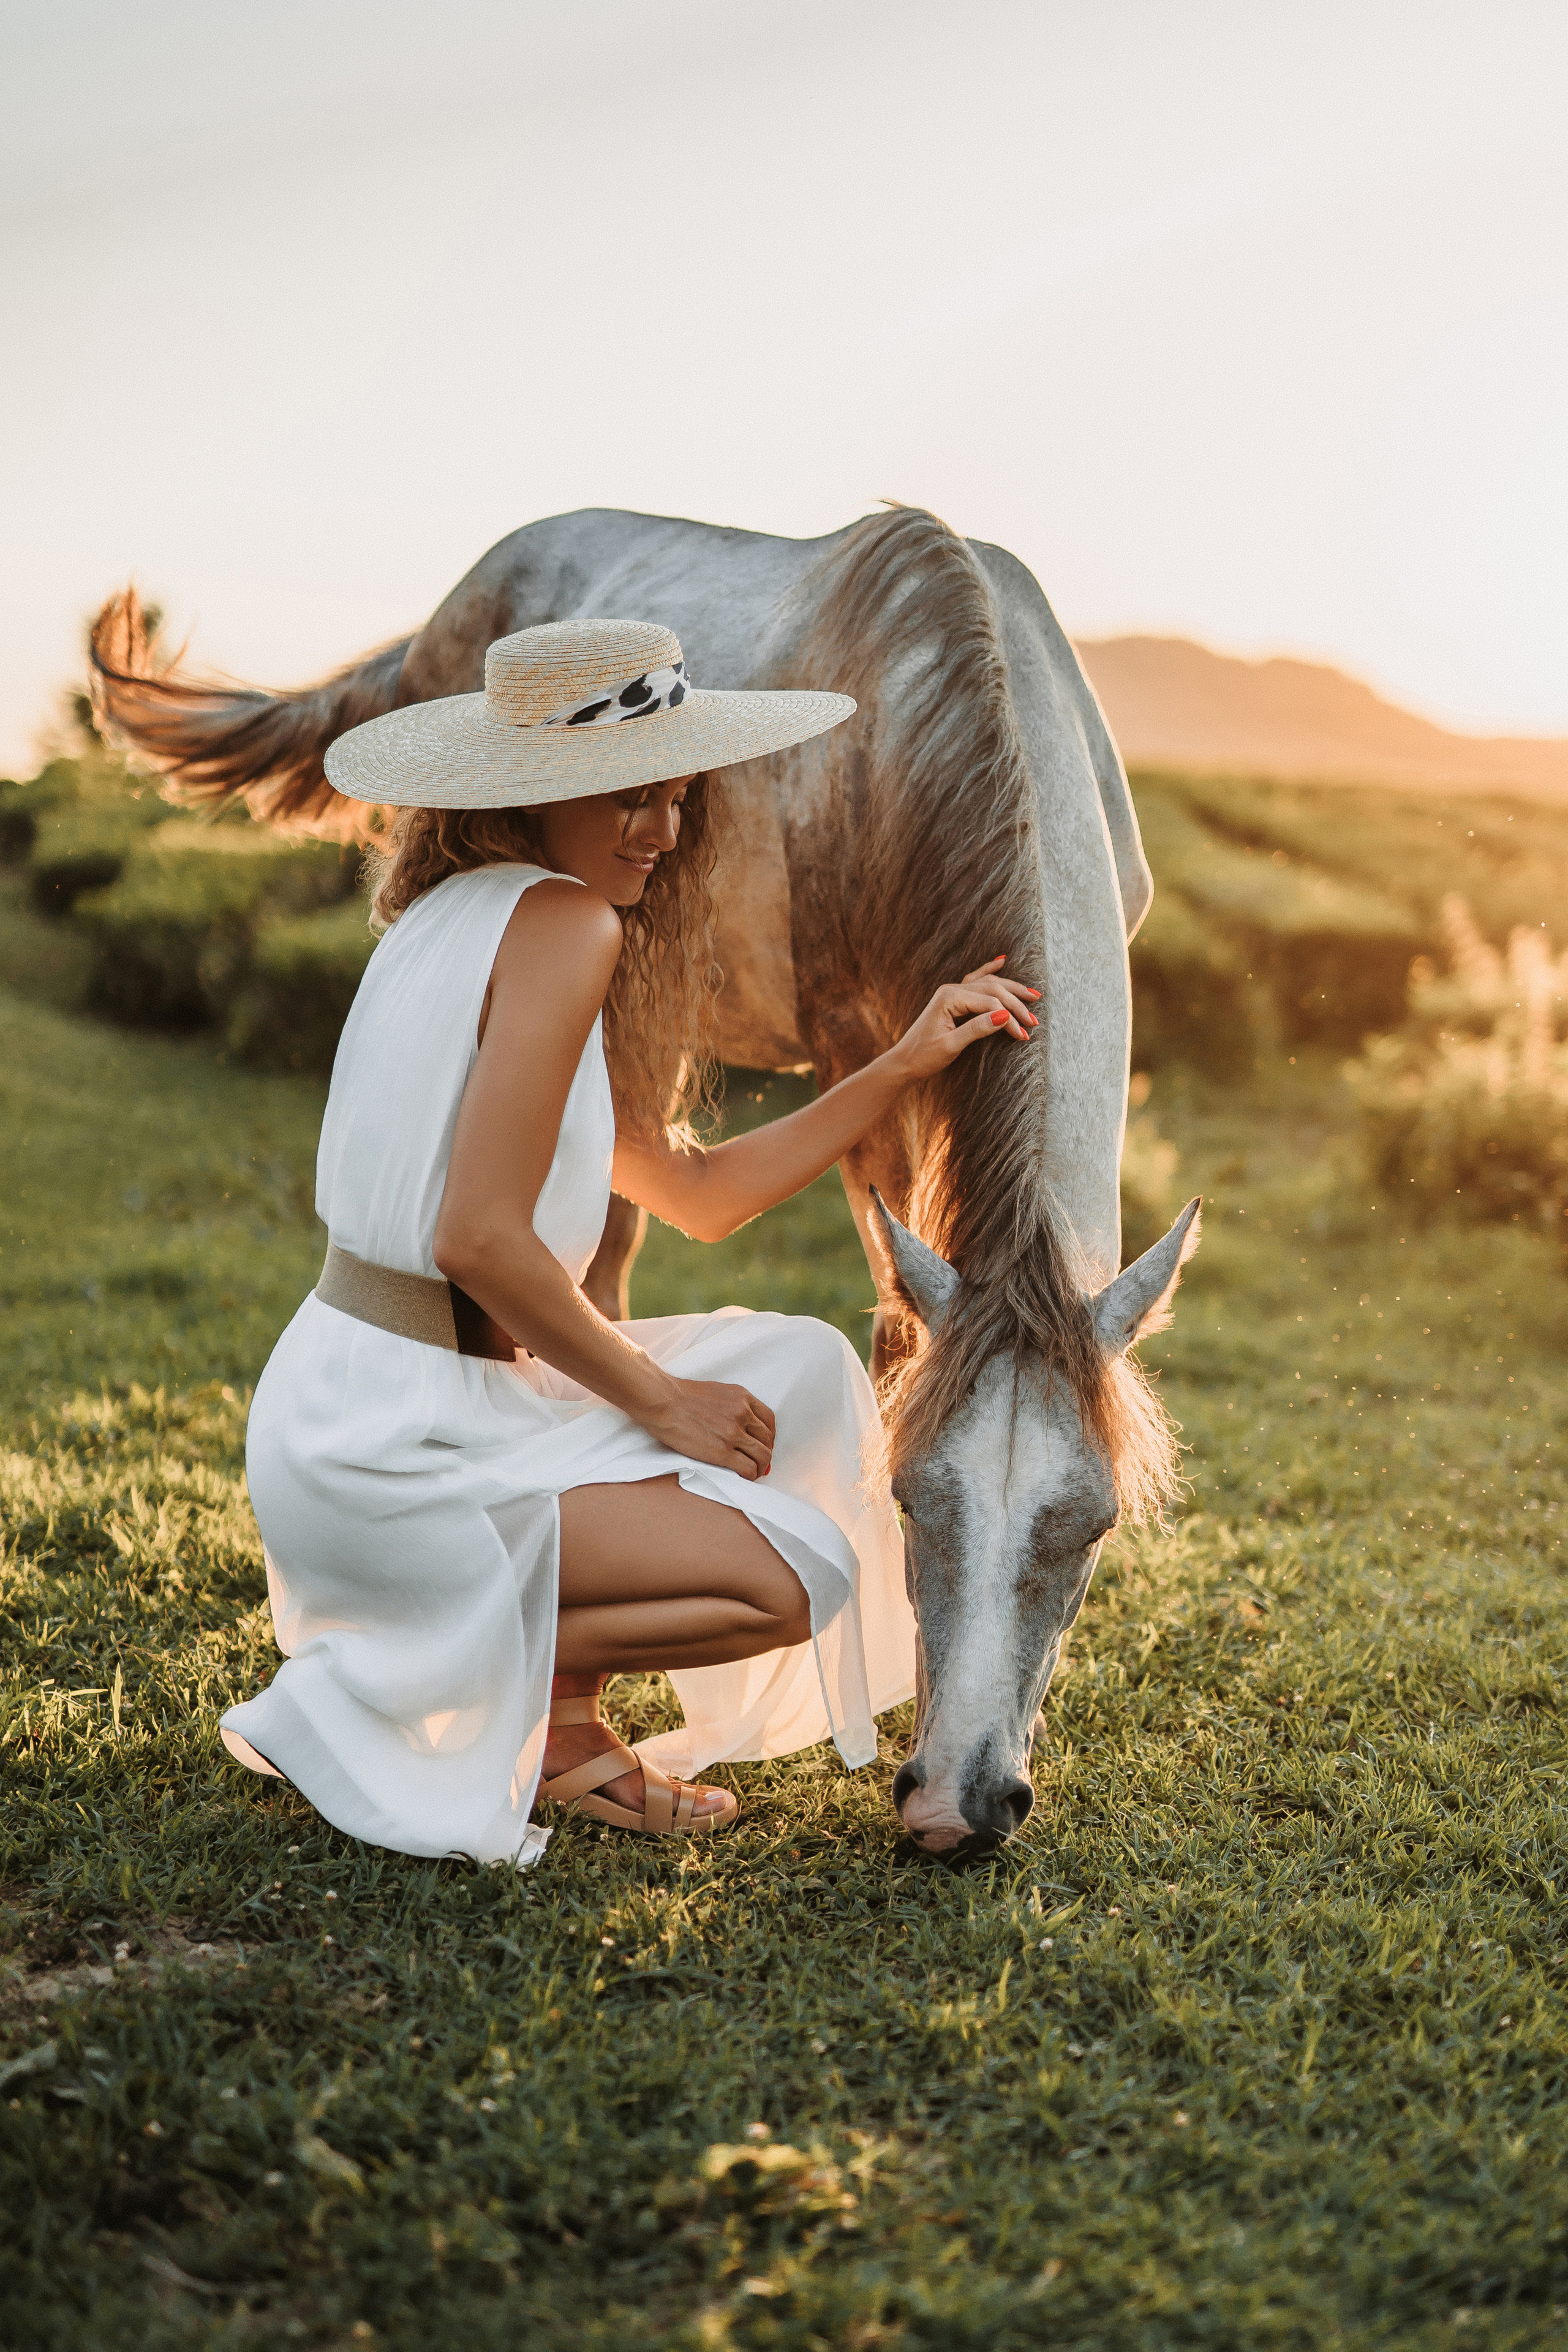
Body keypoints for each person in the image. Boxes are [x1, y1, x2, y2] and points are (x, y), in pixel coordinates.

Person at [220, 617, 1038, 1862]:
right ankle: (390, 1675)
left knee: (803, 1370)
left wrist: (906, 1058)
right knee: (782, 1581)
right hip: (398, 1440)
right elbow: (481, 1240)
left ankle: (552, 1721)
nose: (658, 831)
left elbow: (696, 1194)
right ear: (533, 792)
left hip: (361, 1400)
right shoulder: (561, 927)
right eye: (621, 796)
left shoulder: (454, 918)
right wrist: (662, 1405)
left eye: (673, 797)